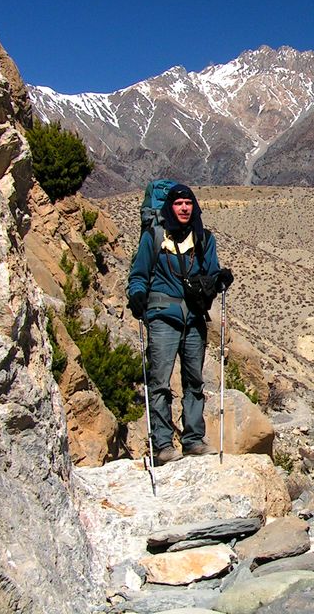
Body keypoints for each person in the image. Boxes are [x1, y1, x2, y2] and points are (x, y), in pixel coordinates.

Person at [127, 183, 233, 464]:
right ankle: (162, 445)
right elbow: (139, 273)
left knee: (194, 381)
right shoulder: (154, 237)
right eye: (178, 204)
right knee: (160, 381)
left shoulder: (203, 239)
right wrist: (137, 295)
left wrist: (220, 279)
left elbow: (210, 273)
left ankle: (193, 440)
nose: (184, 208)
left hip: (195, 317)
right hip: (162, 315)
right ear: (169, 208)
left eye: (188, 203)